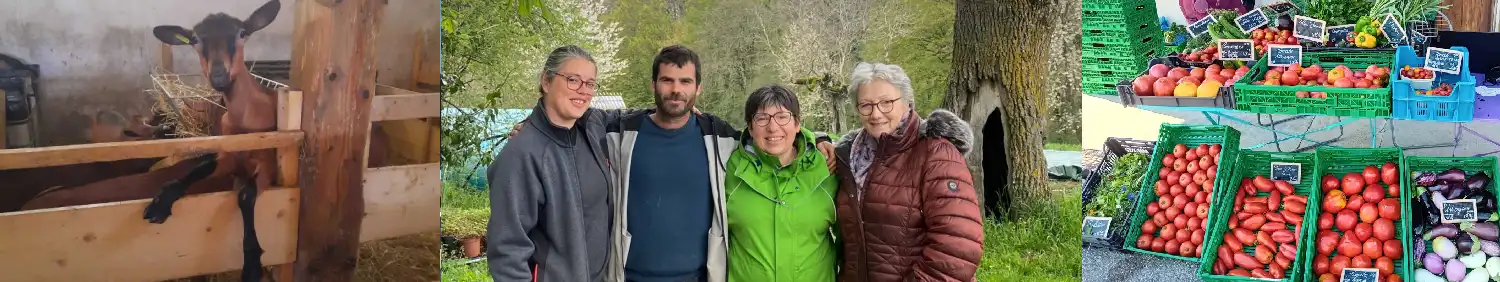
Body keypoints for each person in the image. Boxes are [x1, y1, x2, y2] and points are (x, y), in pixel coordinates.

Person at [506, 45, 837, 282]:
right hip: (628, 274)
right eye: (667, 81)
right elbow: (569, 112)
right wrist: (529, 123)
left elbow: (772, 134)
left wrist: (818, 138)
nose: (675, 90)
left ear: (697, 89)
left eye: (685, 82)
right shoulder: (620, 130)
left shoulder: (719, 137)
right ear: (654, 85)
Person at [487, 45, 630, 282]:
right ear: (546, 81)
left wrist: (671, 110)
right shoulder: (522, 154)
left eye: (590, 84)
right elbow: (507, 251)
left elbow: (624, 116)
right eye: (573, 80)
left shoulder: (590, 126)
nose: (583, 91)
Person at [832, 62, 984, 281]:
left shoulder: (936, 153)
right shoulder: (849, 157)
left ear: (906, 102)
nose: (876, 114)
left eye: (886, 102)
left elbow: (957, 249)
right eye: (866, 105)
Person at [722, 85, 838, 282]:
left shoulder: (828, 168)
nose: (773, 127)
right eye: (762, 118)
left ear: (798, 123)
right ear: (750, 127)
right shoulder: (727, 169)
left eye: (782, 116)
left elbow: (851, 246)